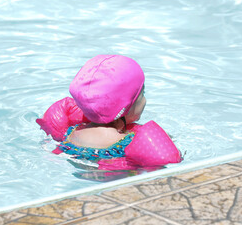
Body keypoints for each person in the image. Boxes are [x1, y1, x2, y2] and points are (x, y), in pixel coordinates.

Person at [37, 54, 181, 170]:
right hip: (115, 173)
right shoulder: (129, 140)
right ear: (125, 108)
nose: (145, 100)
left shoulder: (74, 132)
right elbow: (169, 160)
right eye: (142, 94)